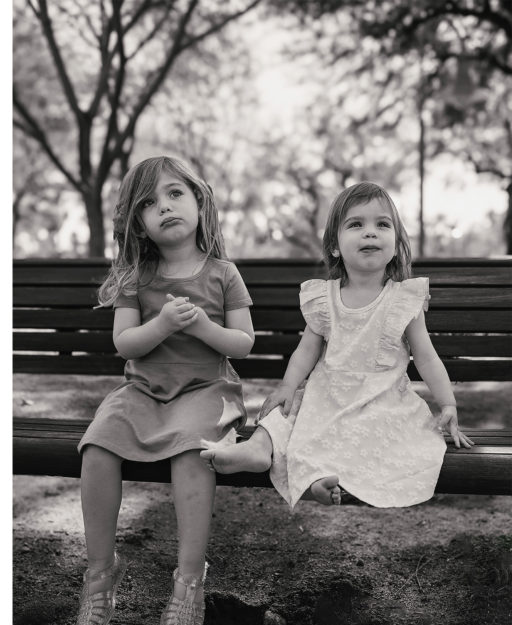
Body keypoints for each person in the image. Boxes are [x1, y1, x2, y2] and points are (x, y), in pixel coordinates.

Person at [200, 181, 473, 508]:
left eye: (382, 225)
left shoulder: (403, 299)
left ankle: (317, 482)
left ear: (397, 243)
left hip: (380, 399)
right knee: (289, 411)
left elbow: (426, 357)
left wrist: (448, 404)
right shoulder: (323, 298)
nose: (370, 232)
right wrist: (288, 385)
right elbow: (306, 350)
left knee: (367, 435)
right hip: (327, 392)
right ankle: (259, 448)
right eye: (356, 224)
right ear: (334, 246)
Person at [75, 156, 255, 625]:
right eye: (150, 203)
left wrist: (199, 325)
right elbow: (125, 344)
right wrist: (163, 325)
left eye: (176, 194)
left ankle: (189, 578)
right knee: (95, 448)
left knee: (195, 453)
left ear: (199, 201)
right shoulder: (136, 276)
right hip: (142, 392)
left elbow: (243, 343)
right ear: (139, 224)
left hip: (206, 392)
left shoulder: (222, 273)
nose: (165, 207)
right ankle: (99, 572)